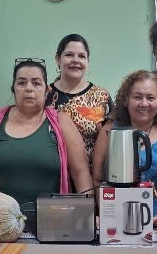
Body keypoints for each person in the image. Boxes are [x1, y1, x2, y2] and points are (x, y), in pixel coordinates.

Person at [0, 59, 93, 204]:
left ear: (47, 90)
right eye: (21, 83)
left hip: (53, 221)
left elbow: (80, 172)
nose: (29, 88)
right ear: (13, 88)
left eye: (36, 83)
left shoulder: (61, 122)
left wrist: (88, 213)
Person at [92, 70, 157, 229]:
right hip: (120, 226)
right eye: (137, 97)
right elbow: (97, 180)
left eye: (150, 98)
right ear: (126, 100)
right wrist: (108, 216)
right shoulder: (109, 132)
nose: (144, 103)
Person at [46, 34, 113, 164]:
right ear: (58, 59)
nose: (75, 60)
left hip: (92, 177)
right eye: (69, 55)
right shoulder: (44, 95)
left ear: (88, 62)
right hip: (51, 177)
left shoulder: (102, 96)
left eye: (81, 56)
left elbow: (111, 140)